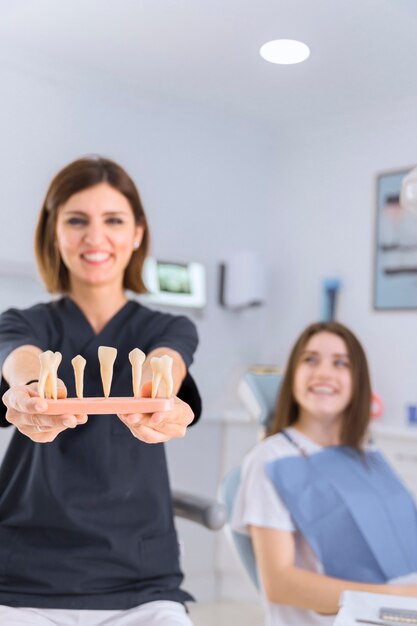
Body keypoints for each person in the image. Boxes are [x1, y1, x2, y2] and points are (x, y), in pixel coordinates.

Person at [0, 156, 201, 626]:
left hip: (141, 583)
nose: (95, 237)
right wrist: (29, 390)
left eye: (113, 220)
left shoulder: (167, 327)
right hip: (23, 579)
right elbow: (21, 360)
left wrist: (161, 395)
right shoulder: (23, 322)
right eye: (76, 220)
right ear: (54, 233)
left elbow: (165, 362)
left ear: (137, 234)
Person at [232, 321, 417, 626]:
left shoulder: (367, 452)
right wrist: (394, 597)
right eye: (310, 360)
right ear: (293, 375)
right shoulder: (269, 459)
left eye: (340, 363)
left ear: (357, 381)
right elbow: (280, 583)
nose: (324, 374)